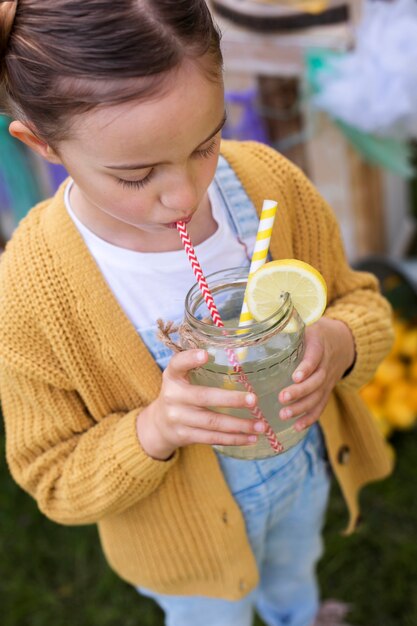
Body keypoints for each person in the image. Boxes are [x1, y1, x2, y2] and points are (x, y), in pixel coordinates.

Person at [0, 2, 394, 626]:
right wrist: (154, 429)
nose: (184, 194)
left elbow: (363, 302)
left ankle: (296, 613)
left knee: (296, 567)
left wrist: (338, 341)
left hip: (300, 477)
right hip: (187, 549)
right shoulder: (32, 289)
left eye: (205, 143)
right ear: (42, 143)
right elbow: (52, 476)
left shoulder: (269, 186)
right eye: (136, 175)